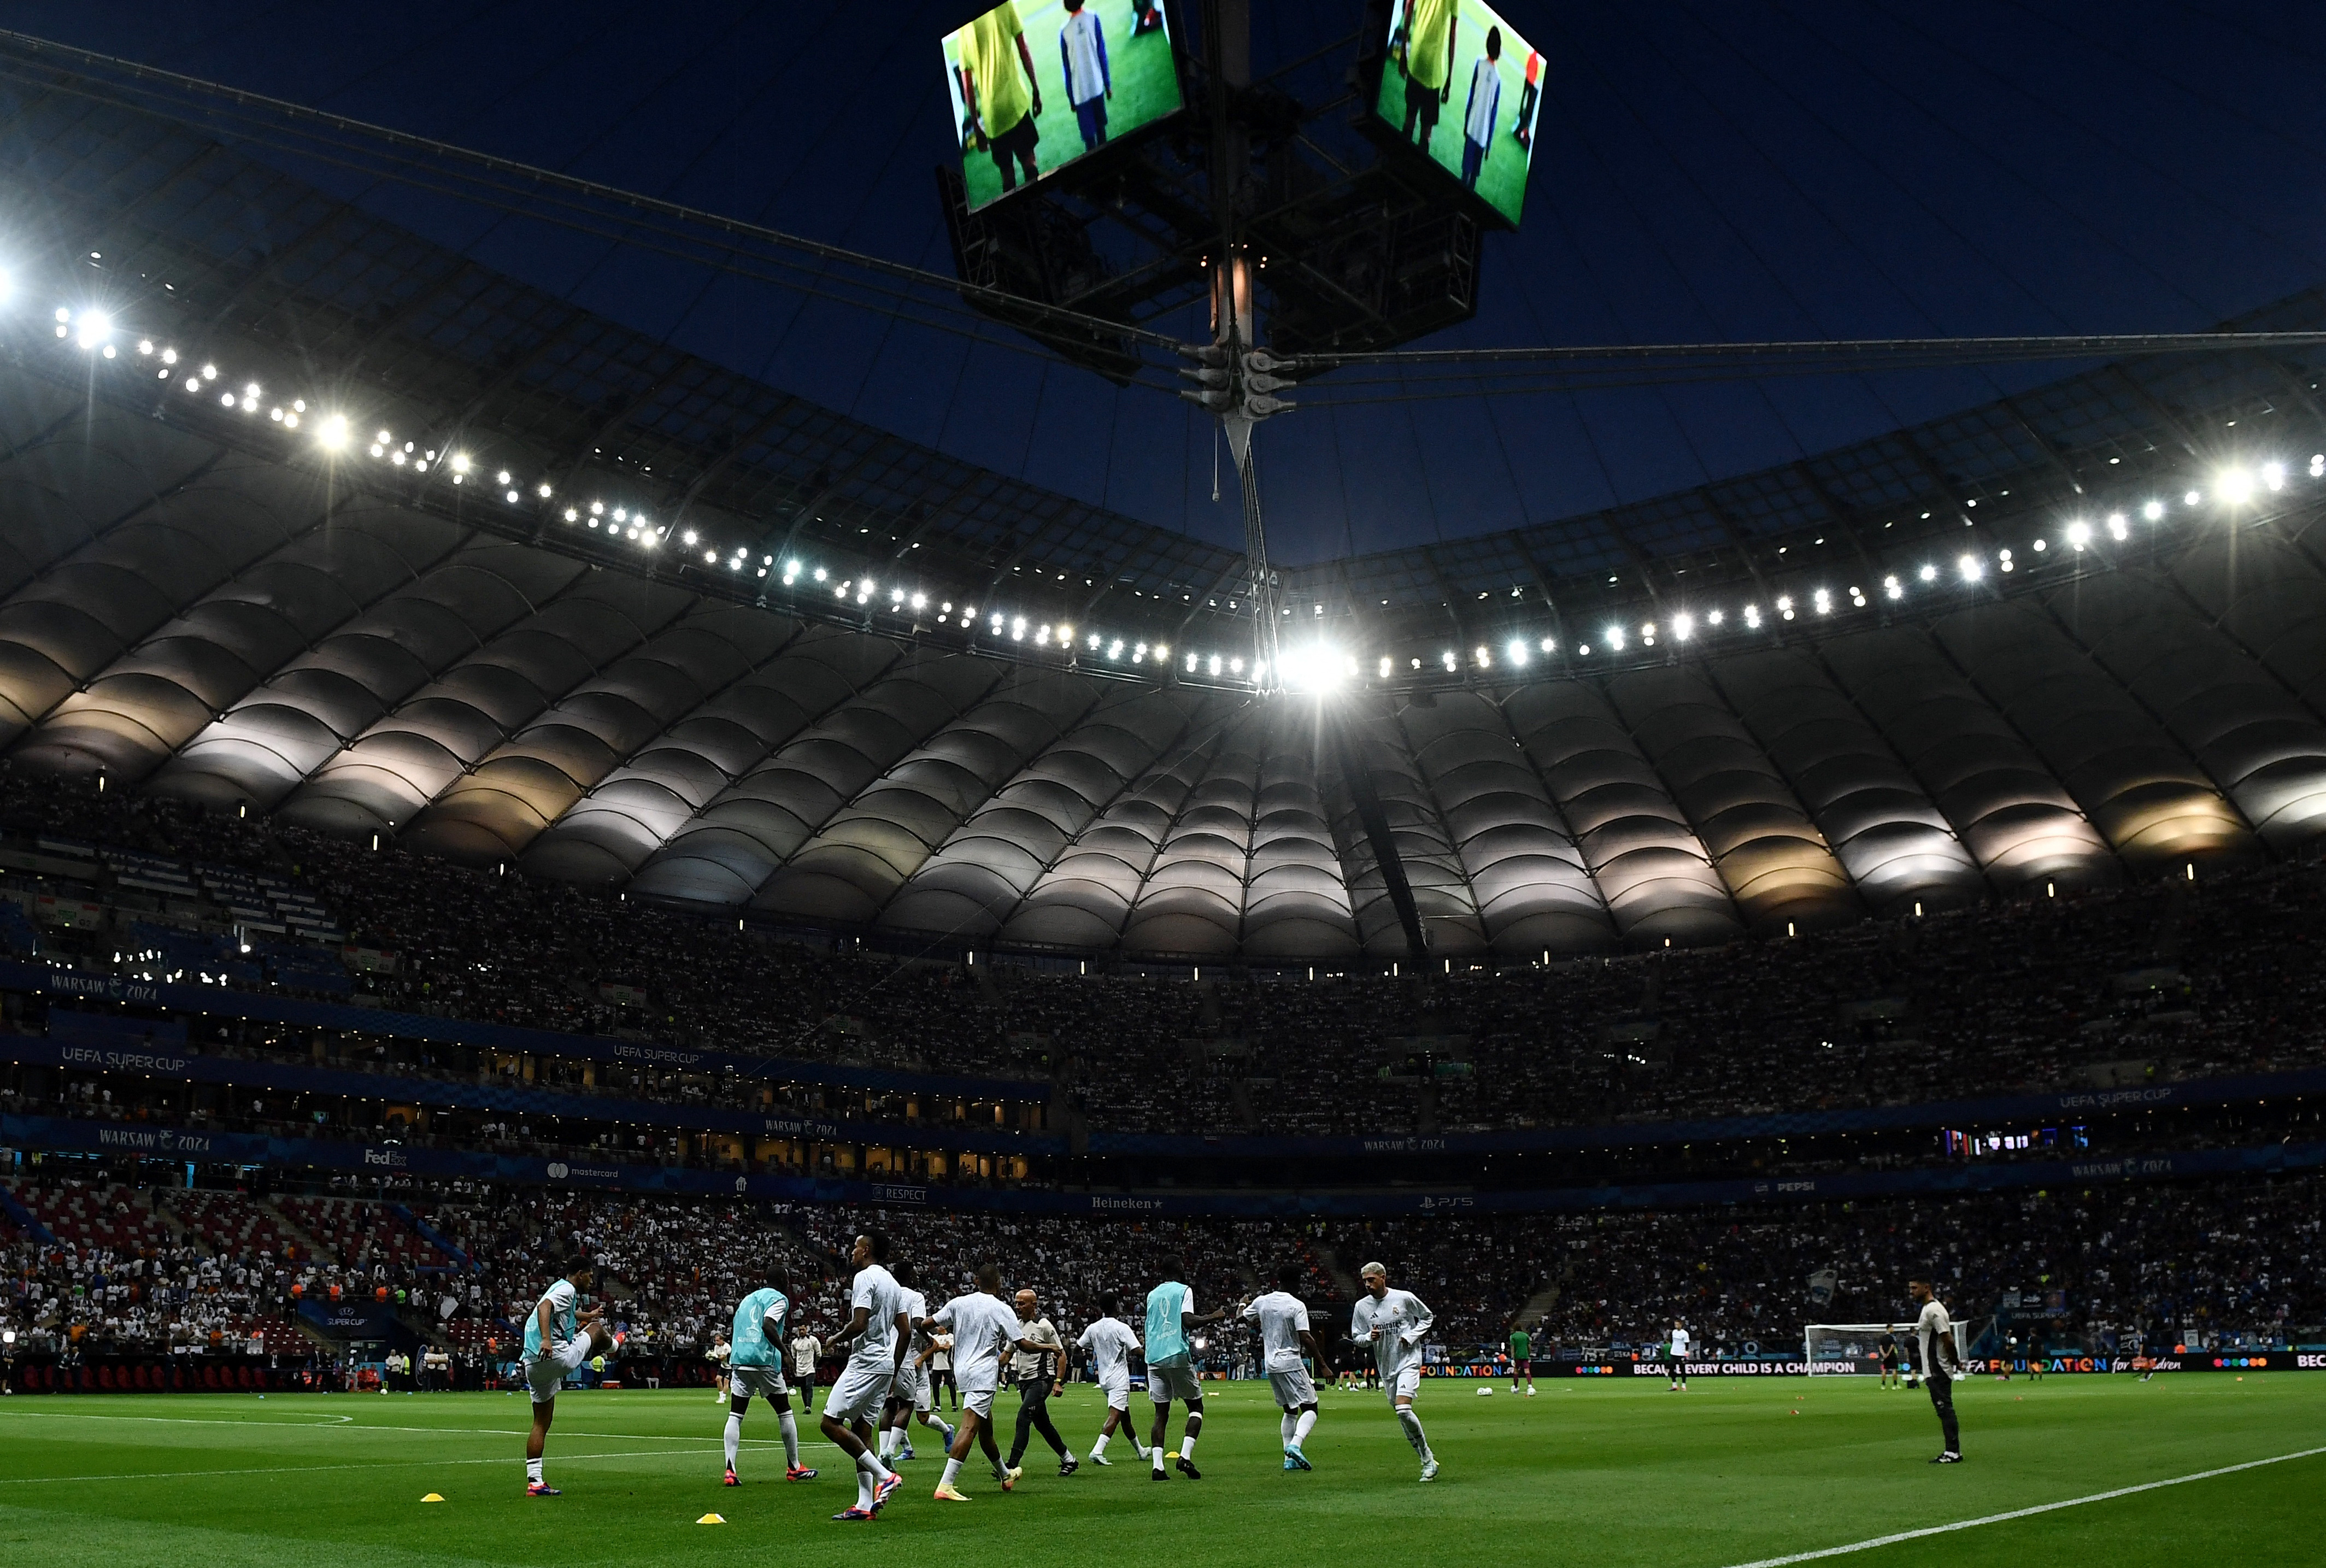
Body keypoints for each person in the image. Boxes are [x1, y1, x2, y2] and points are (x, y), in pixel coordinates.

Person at [818, 1233, 909, 1521]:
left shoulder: (864, 1279)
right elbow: (905, 1332)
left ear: (866, 1250)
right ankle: (864, 1504)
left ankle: (886, 1476)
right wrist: (892, 1369)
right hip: (884, 1364)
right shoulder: (894, 1285)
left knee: (829, 1423)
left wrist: (835, 1338)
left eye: (856, 1247)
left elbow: (859, 1323)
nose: (852, 1252)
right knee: (862, 1430)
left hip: (865, 1361)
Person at [521, 1254, 613, 1497]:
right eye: (590, 1276)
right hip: (555, 1355)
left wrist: (588, 1316)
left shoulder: (561, 1291)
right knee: (595, 1332)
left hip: (533, 1362)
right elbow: (545, 1307)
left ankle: (535, 1482)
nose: (591, 1281)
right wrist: (547, 1339)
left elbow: (566, 1314)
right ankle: (615, 1346)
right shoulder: (566, 1289)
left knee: (541, 1422)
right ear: (580, 1274)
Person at [930, 1260, 1021, 1501]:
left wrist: (930, 1341)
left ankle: (1005, 1475)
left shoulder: (959, 1303)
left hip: (961, 1371)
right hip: (983, 1374)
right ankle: (946, 1485)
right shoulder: (1001, 1308)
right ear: (999, 1284)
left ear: (976, 1282)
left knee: (985, 1428)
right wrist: (1050, 1347)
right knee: (970, 1427)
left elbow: (928, 1323)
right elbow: (1021, 1343)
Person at [723, 1266, 818, 1487]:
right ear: (784, 1281)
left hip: (740, 1359)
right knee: (784, 1412)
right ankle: (794, 1467)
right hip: (763, 1360)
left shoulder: (747, 1299)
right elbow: (768, 1325)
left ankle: (730, 1470)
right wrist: (785, 1353)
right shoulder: (780, 1299)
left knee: (736, 1414)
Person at [1351, 1260, 1437, 1482]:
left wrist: (1411, 1336)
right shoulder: (1362, 1307)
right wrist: (1368, 1339)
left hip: (1408, 1361)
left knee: (1402, 1410)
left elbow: (1428, 1316)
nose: (1368, 1285)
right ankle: (1426, 1460)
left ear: (1383, 1277)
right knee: (1402, 1417)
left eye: (1371, 1280)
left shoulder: (1404, 1298)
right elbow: (1357, 1337)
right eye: (1365, 1281)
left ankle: (1428, 1459)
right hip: (1386, 1367)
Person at [1243, 1264, 1330, 1472]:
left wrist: (1242, 1304)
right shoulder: (1296, 1305)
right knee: (1311, 1408)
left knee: (1290, 1410)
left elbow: (1244, 1315)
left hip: (1270, 1364)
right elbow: (1306, 1337)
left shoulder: (1262, 1301)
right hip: (1290, 1361)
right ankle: (1295, 1445)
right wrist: (1323, 1366)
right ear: (1297, 1282)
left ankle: (1288, 1459)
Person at [1143, 1274, 1226, 1481]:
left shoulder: (1152, 1295)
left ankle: (1158, 1467)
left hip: (1154, 1357)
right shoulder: (1183, 1290)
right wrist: (1214, 1317)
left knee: (1161, 1414)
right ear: (1177, 1270)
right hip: (1176, 1355)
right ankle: (1185, 1457)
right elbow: (1187, 1320)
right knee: (1196, 1408)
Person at [958, 2, 1044, 193]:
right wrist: (1036, 90)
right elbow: (1024, 50)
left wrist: (977, 127)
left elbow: (967, 86)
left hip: (993, 119)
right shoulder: (1005, 5)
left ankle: (1017, 220)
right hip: (1016, 105)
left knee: (1007, 175)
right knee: (1029, 162)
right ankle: (1036, 211)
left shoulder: (964, 27)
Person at [878, 1262, 955, 1465]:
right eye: (915, 1274)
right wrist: (928, 1338)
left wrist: (925, 1352)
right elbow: (917, 1324)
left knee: (917, 1415)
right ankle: (892, 1451)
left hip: (893, 1360)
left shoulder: (887, 1295)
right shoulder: (915, 1298)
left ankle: (946, 1430)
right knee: (900, 1406)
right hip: (903, 1361)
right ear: (910, 1277)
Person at [1006, 1287, 1076, 1480]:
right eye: (1017, 1302)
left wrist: (1059, 1382)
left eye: (1022, 1303)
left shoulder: (1043, 1325)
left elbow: (1061, 1354)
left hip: (1042, 1380)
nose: (1018, 1306)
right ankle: (1069, 1460)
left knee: (1023, 1417)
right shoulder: (1016, 1326)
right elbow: (1007, 1355)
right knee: (1043, 1424)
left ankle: (1011, 1465)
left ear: (1033, 1305)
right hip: (1024, 1381)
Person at [1075, 1292, 1148, 1466]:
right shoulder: (1121, 1327)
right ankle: (1097, 1451)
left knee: (1125, 1417)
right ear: (1117, 1306)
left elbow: (1077, 1348)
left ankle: (1141, 1450)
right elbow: (1136, 1350)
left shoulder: (1093, 1328)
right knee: (1115, 1416)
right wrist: (1152, 1357)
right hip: (1119, 1378)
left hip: (1104, 1379)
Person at [1908, 1274, 1965, 1463]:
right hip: (1932, 1369)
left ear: (1927, 1288)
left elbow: (1947, 1338)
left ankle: (1953, 1452)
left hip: (1938, 1369)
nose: (1911, 1292)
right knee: (1943, 1410)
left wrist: (1955, 1361)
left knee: (1945, 1409)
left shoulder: (1934, 1310)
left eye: (1915, 1288)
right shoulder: (1927, 1309)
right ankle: (1951, 1450)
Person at [1395, 0, 1456, 156]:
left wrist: (1403, 51)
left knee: (1409, 121)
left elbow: (1409, 6)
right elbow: (1453, 33)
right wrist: (1450, 77)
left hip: (1416, 61)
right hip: (1433, 71)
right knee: (1426, 134)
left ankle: (1398, 164)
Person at [1058, 0, 1112, 154]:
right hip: (1096, 85)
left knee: (1090, 140)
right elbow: (1102, 54)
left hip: (1080, 93)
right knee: (1102, 133)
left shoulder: (1064, 31)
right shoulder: (1093, 18)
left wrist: (1071, 98)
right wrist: (1107, 84)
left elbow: (1067, 69)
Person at [1460, 26, 1501, 191]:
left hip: (1472, 128)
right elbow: (1493, 116)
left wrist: (1466, 122)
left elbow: (1471, 97)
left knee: (1465, 173)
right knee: (1473, 182)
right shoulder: (1498, 80)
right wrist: (1489, 145)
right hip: (1483, 136)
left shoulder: (1479, 65)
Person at [791, 1320, 823, 1413]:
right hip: (800, 1369)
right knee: (803, 1389)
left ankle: (809, 1406)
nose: (801, 1332)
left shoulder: (813, 1340)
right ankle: (806, 1406)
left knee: (809, 1386)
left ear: (807, 1329)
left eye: (803, 1330)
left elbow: (819, 1354)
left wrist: (815, 1363)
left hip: (810, 1368)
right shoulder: (795, 1343)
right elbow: (794, 1356)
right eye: (800, 1330)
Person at [1514, 46, 1542, 150]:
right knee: (1528, 98)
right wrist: (1533, 79)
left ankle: (1522, 111)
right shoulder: (1535, 60)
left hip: (1528, 80)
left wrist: (1529, 76)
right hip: (1531, 81)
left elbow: (1529, 67)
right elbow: (1535, 72)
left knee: (1524, 97)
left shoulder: (1531, 57)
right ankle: (1523, 112)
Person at [929, 1328, 957, 1411]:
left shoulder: (950, 1336)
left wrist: (936, 1347)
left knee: (951, 1386)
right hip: (936, 1366)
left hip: (947, 1366)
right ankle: (937, 1406)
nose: (937, 1328)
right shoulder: (934, 1337)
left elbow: (947, 1348)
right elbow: (931, 1349)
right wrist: (941, 1347)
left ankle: (954, 1405)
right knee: (935, 1387)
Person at [1508, 1319, 1535, 1396]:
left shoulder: (1513, 1336)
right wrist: (1529, 1355)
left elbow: (1513, 1348)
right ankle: (1530, 1386)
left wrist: (1512, 1358)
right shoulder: (1525, 1335)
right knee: (1527, 1371)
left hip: (1517, 1356)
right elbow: (1529, 1346)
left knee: (1516, 1371)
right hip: (1525, 1355)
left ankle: (1516, 1387)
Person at [707, 1332, 733, 1405]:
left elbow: (722, 1357)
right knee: (718, 1379)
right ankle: (721, 1395)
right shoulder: (716, 1347)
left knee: (726, 1382)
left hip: (730, 1367)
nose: (716, 1342)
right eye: (716, 1341)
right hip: (723, 1366)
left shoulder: (726, 1347)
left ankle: (724, 1398)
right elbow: (716, 1355)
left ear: (722, 1340)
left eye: (718, 1340)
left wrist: (713, 1357)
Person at [1667, 1318, 1690, 1391]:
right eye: (1675, 1325)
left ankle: (1684, 1385)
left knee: (1682, 1369)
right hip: (1674, 1353)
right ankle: (1674, 1385)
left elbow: (1687, 1344)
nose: (1676, 1326)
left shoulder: (1685, 1333)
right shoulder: (1674, 1332)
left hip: (1681, 1354)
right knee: (1671, 1368)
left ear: (1681, 1325)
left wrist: (1686, 1353)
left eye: (1677, 1324)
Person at [1877, 1326, 1902, 1390]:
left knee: (1885, 1370)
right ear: (1889, 1328)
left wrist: (1884, 1354)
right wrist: (1888, 1354)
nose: (1893, 1329)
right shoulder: (1892, 1337)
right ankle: (1895, 1385)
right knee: (1894, 1370)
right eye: (1892, 1328)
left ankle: (1883, 1385)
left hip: (1885, 1356)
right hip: (1892, 1355)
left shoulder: (1882, 1338)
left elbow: (1880, 1347)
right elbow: (1892, 1346)